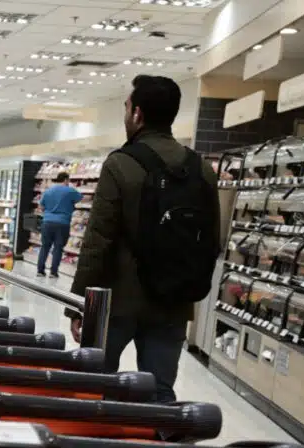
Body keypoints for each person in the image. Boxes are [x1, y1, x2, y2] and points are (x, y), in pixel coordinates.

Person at [68, 75, 221, 404]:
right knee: (159, 390)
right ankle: (158, 437)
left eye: (126, 107)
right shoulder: (201, 168)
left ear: (137, 114)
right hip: (174, 300)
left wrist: (81, 305)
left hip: (118, 300)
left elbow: (98, 241)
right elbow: (212, 240)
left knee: (95, 382)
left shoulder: (121, 163)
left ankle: (97, 437)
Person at [36, 171, 82, 278]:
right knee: (58, 248)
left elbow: (41, 207)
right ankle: (53, 272)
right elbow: (79, 198)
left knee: (45, 247)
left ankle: (40, 271)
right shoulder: (69, 190)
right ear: (66, 180)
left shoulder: (48, 191)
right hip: (62, 223)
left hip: (47, 222)